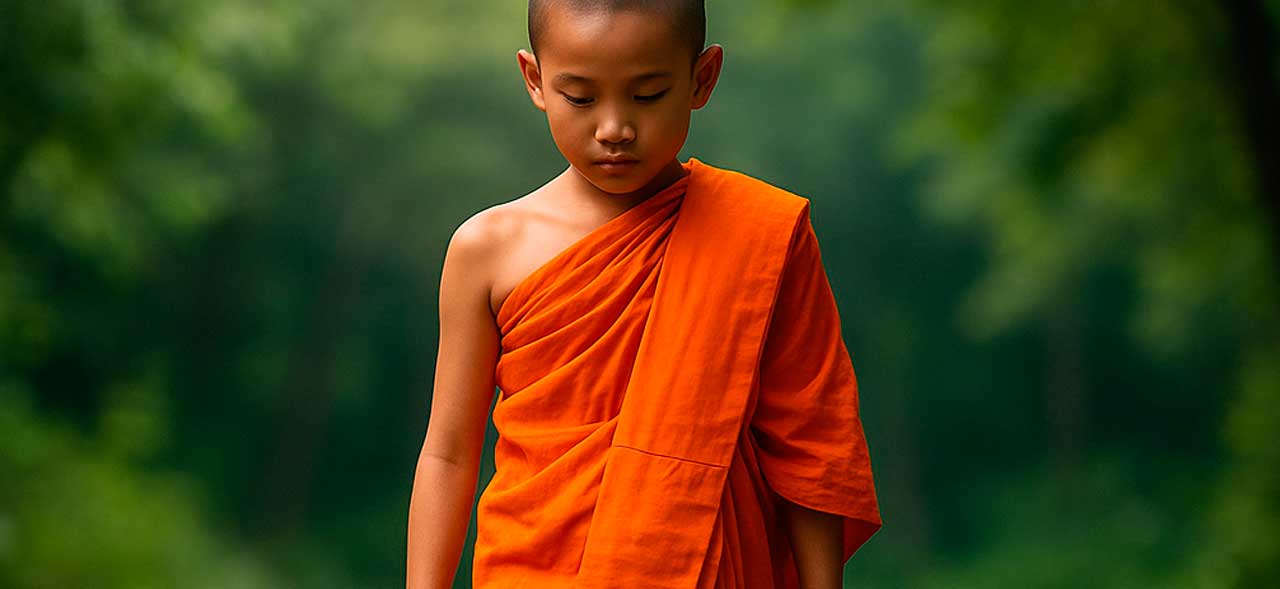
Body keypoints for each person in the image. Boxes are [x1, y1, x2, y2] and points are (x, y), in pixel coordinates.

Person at [406, 1, 882, 587]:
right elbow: (449, 452)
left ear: (701, 78)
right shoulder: (489, 249)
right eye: (580, 97)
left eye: (648, 94)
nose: (614, 129)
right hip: (531, 567)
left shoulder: (761, 234)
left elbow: (810, 445)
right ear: (534, 80)